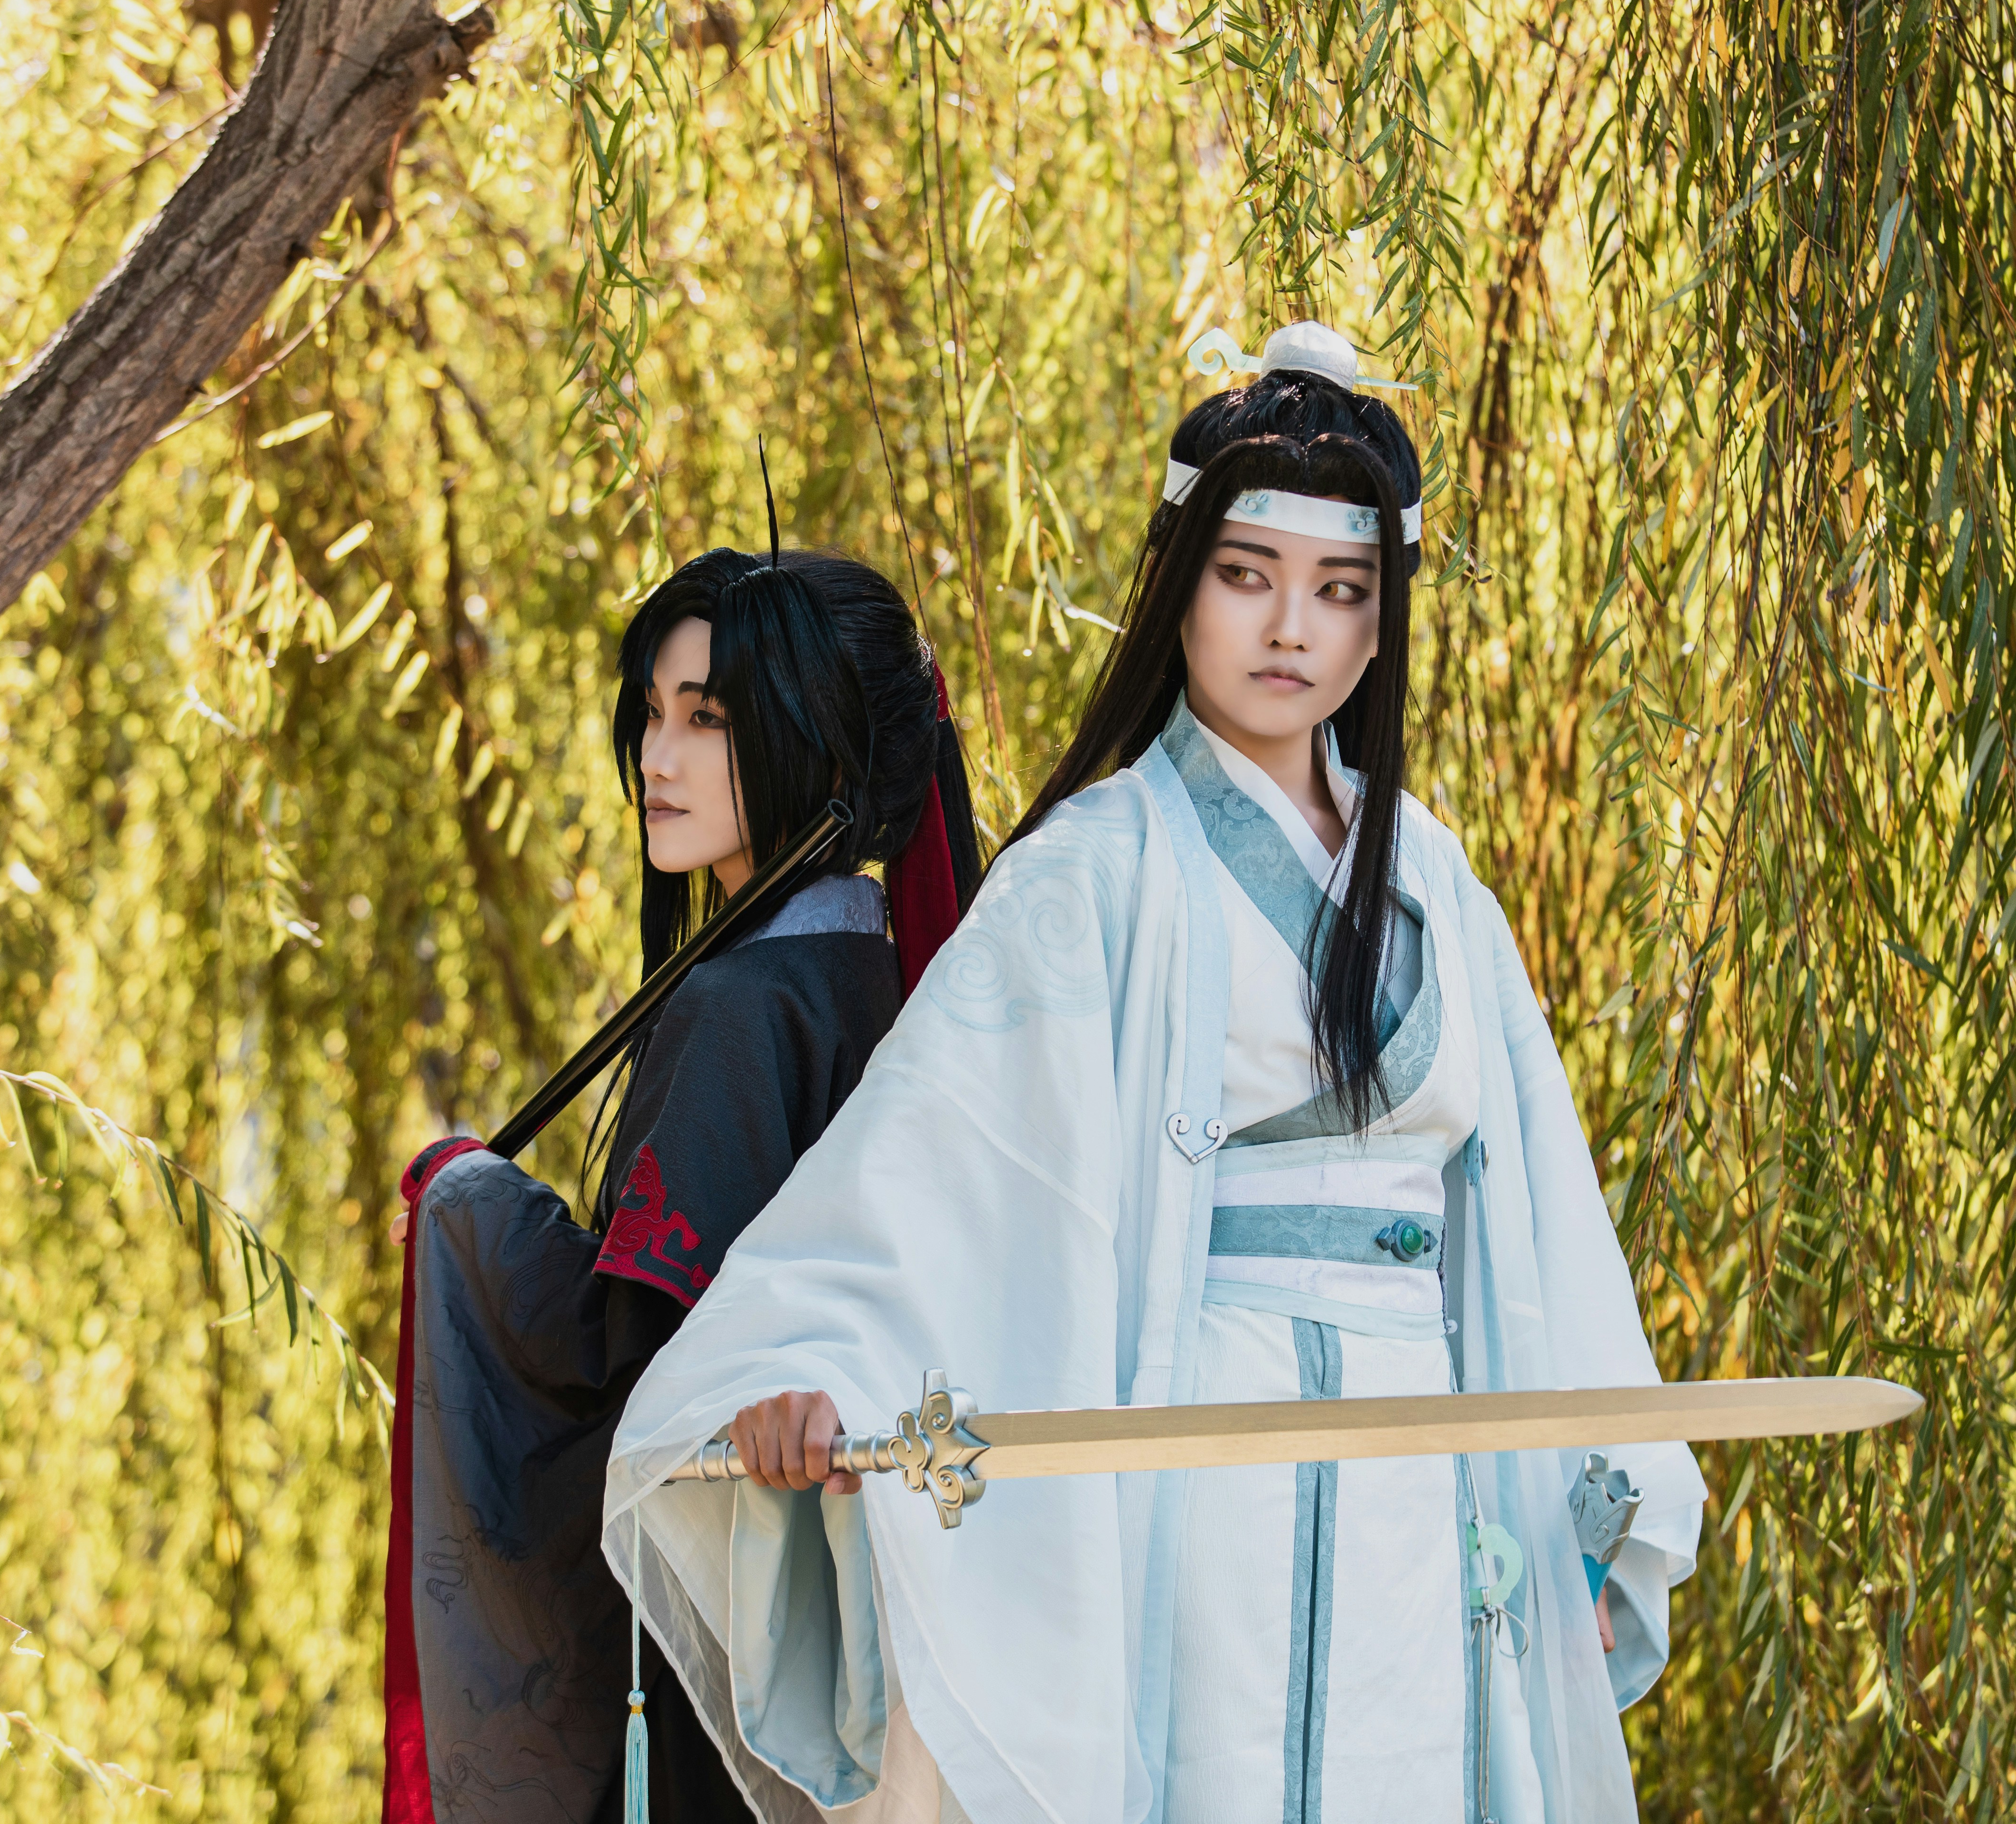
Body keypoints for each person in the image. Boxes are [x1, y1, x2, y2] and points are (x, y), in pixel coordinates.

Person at [602, 324, 1705, 1824]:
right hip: (1194, 1474)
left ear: (1383, 623)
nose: (1289, 629)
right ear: (1178, 584)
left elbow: (1538, 1227)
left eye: (1339, 590)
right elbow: (935, 1172)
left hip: (1424, 1490)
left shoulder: (1439, 882)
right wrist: (813, 1368)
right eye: (1246, 573)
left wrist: (1585, 1501)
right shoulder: (1090, 870)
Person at [380, 546, 981, 1824]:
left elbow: (638, 1374)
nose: (658, 758)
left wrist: (467, 1208)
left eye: (708, 719)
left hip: (732, 1614)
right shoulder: (899, 983)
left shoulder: (734, 1007)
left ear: (812, 735)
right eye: (652, 714)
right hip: (878, 1631)